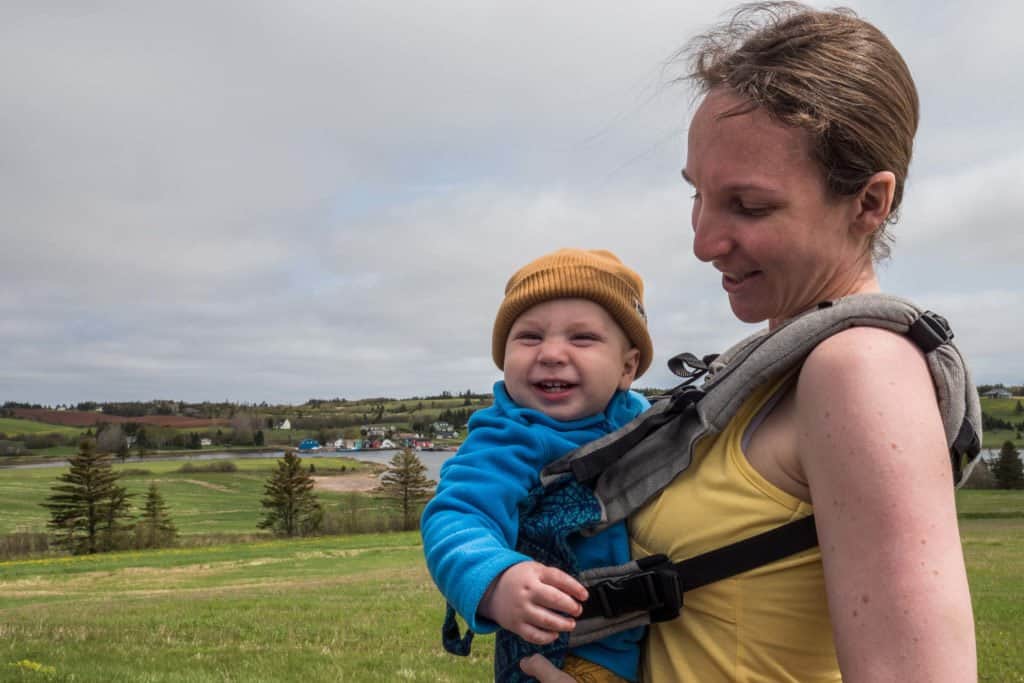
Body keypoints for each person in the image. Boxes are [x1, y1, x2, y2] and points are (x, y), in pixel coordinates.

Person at [522, 3, 977, 681]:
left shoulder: (863, 372)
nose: (704, 241)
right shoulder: (764, 370)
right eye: (698, 195)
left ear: (870, 203)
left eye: (750, 206)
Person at [421, 248, 655, 682]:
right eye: (529, 337)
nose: (550, 353)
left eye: (582, 338)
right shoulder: (506, 437)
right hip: (562, 660)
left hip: (661, 650)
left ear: (627, 367)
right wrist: (496, 581)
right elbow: (455, 518)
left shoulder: (650, 422)